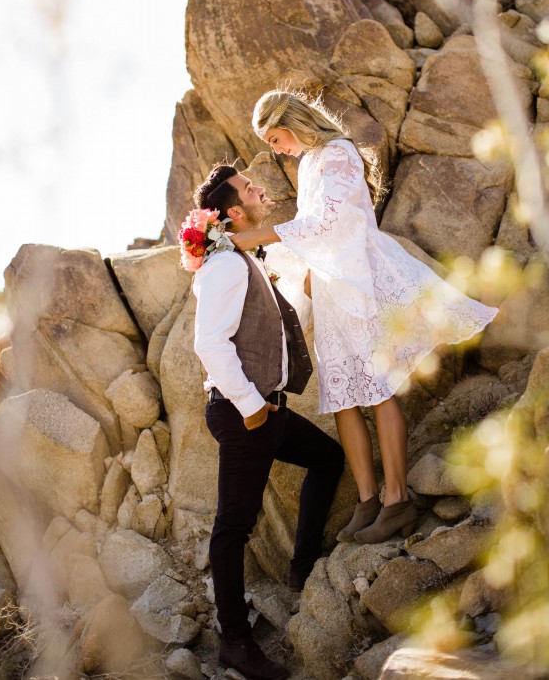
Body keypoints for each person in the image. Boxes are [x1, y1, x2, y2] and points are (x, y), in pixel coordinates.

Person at [231, 89, 498, 546]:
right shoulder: (310, 164)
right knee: (342, 398)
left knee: (376, 389)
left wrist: (252, 237)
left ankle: (397, 502)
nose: (277, 151)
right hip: (334, 287)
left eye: (276, 139)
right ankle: (368, 501)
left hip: (361, 281)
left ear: (292, 121)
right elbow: (313, 233)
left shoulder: (339, 153)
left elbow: (325, 224)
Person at [191, 164, 345, 680]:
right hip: (244, 414)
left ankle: (302, 564)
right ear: (235, 212)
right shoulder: (225, 266)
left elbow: (268, 326)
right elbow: (209, 344)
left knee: (328, 458)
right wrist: (252, 406)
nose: (260, 189)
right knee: (233, 526)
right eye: (250, 189)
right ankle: (235, 642)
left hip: (268, 410)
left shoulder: (248, 259)